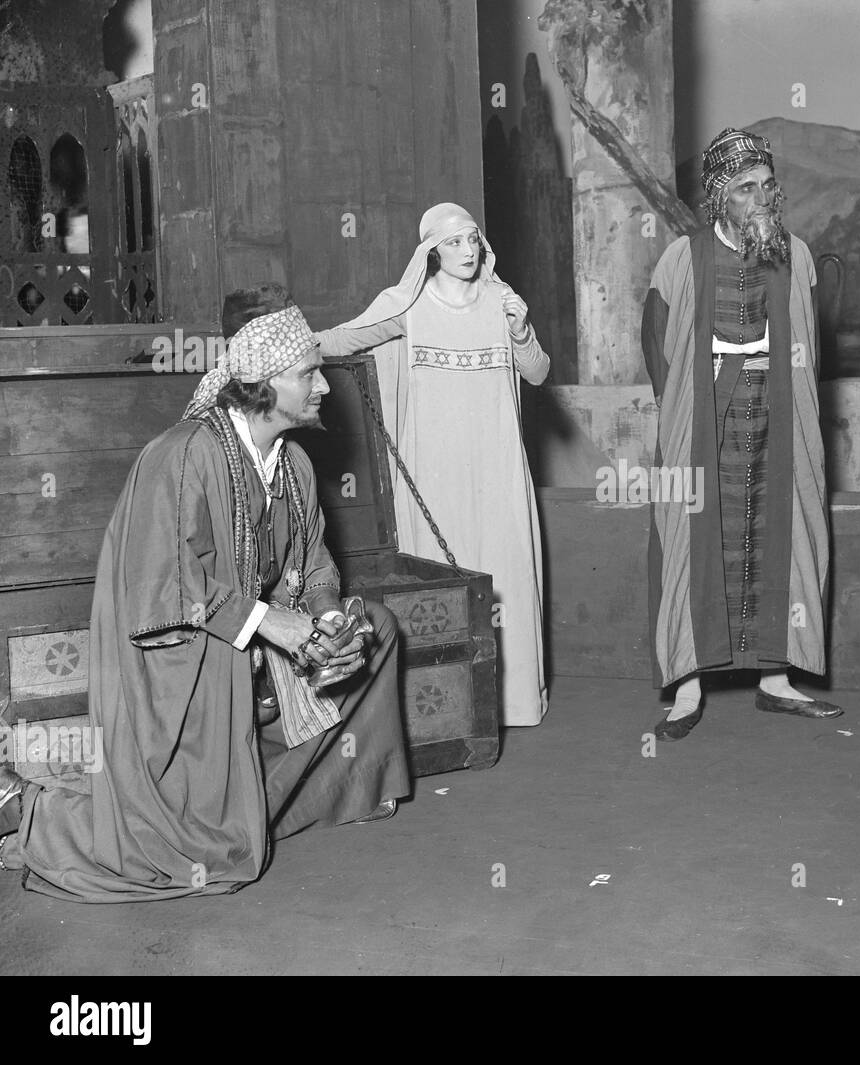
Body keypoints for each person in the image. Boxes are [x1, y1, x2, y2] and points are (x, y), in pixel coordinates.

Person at [0, 286, 410, 900]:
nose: (324, 386)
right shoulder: (185, 455)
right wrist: (272, 625)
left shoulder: (293, 464)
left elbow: (317, 559)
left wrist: (325, 617)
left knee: (374, 627)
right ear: (264, 384)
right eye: (309, 373)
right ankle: (19, 806)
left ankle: (264, 799)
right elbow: (165, 588)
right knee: (206, 862)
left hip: (252, 642)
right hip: (178, 658)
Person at [314, 204, 550, 728]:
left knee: (504, 573)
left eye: (473, 240)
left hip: (497, 468)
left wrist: (521, 328)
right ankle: (445, 704)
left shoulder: (501, 302)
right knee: (441, 574)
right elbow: (341, 339)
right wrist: (287, 351)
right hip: (435, 471)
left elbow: (537, 374)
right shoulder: (409, 307)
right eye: (454, 243)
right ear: (431, 251)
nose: (467, 252)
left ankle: (511, 701)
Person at [640, 127, 839, 742]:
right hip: (705, 412)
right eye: (745, 188)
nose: (760, 199)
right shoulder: (681, 257)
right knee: (696, 540)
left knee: (783, 528)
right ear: (719, 196)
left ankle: (776, 681)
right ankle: (688, 688)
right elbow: (658, 347)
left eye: (767, 188)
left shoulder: (795, 254)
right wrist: (690, 413)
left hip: (778, 407)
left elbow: (814, 336)